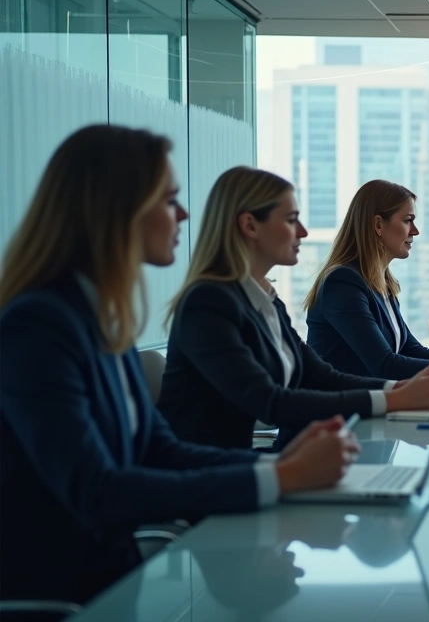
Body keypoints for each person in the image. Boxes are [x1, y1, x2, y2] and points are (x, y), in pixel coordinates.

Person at [0, 125, 357, 606]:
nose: (184, 213)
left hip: (116, 586)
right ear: (116, 210)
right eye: (169, 200)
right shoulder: (37, 328)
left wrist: (280, 465)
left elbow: (159, 448)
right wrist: (282, 476)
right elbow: (97, 490)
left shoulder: (102, 316)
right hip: (65, 598)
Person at [159, 167, 429, 451]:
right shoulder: (208, 304)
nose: (303, 231)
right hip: (217, 482)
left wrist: (397, 392)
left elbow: (323, 376)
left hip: (253, 467)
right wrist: (392, 399)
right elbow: (272, 402)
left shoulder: (265, 299)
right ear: (250, 225)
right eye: (290, 220)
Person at [303, 179, 429, 379]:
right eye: (407, 220)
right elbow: (386, 365)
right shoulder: (343, 283)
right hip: (346, 412)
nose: (415, 231)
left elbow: (410, 350)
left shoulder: (382, 282)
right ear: (378, 224)